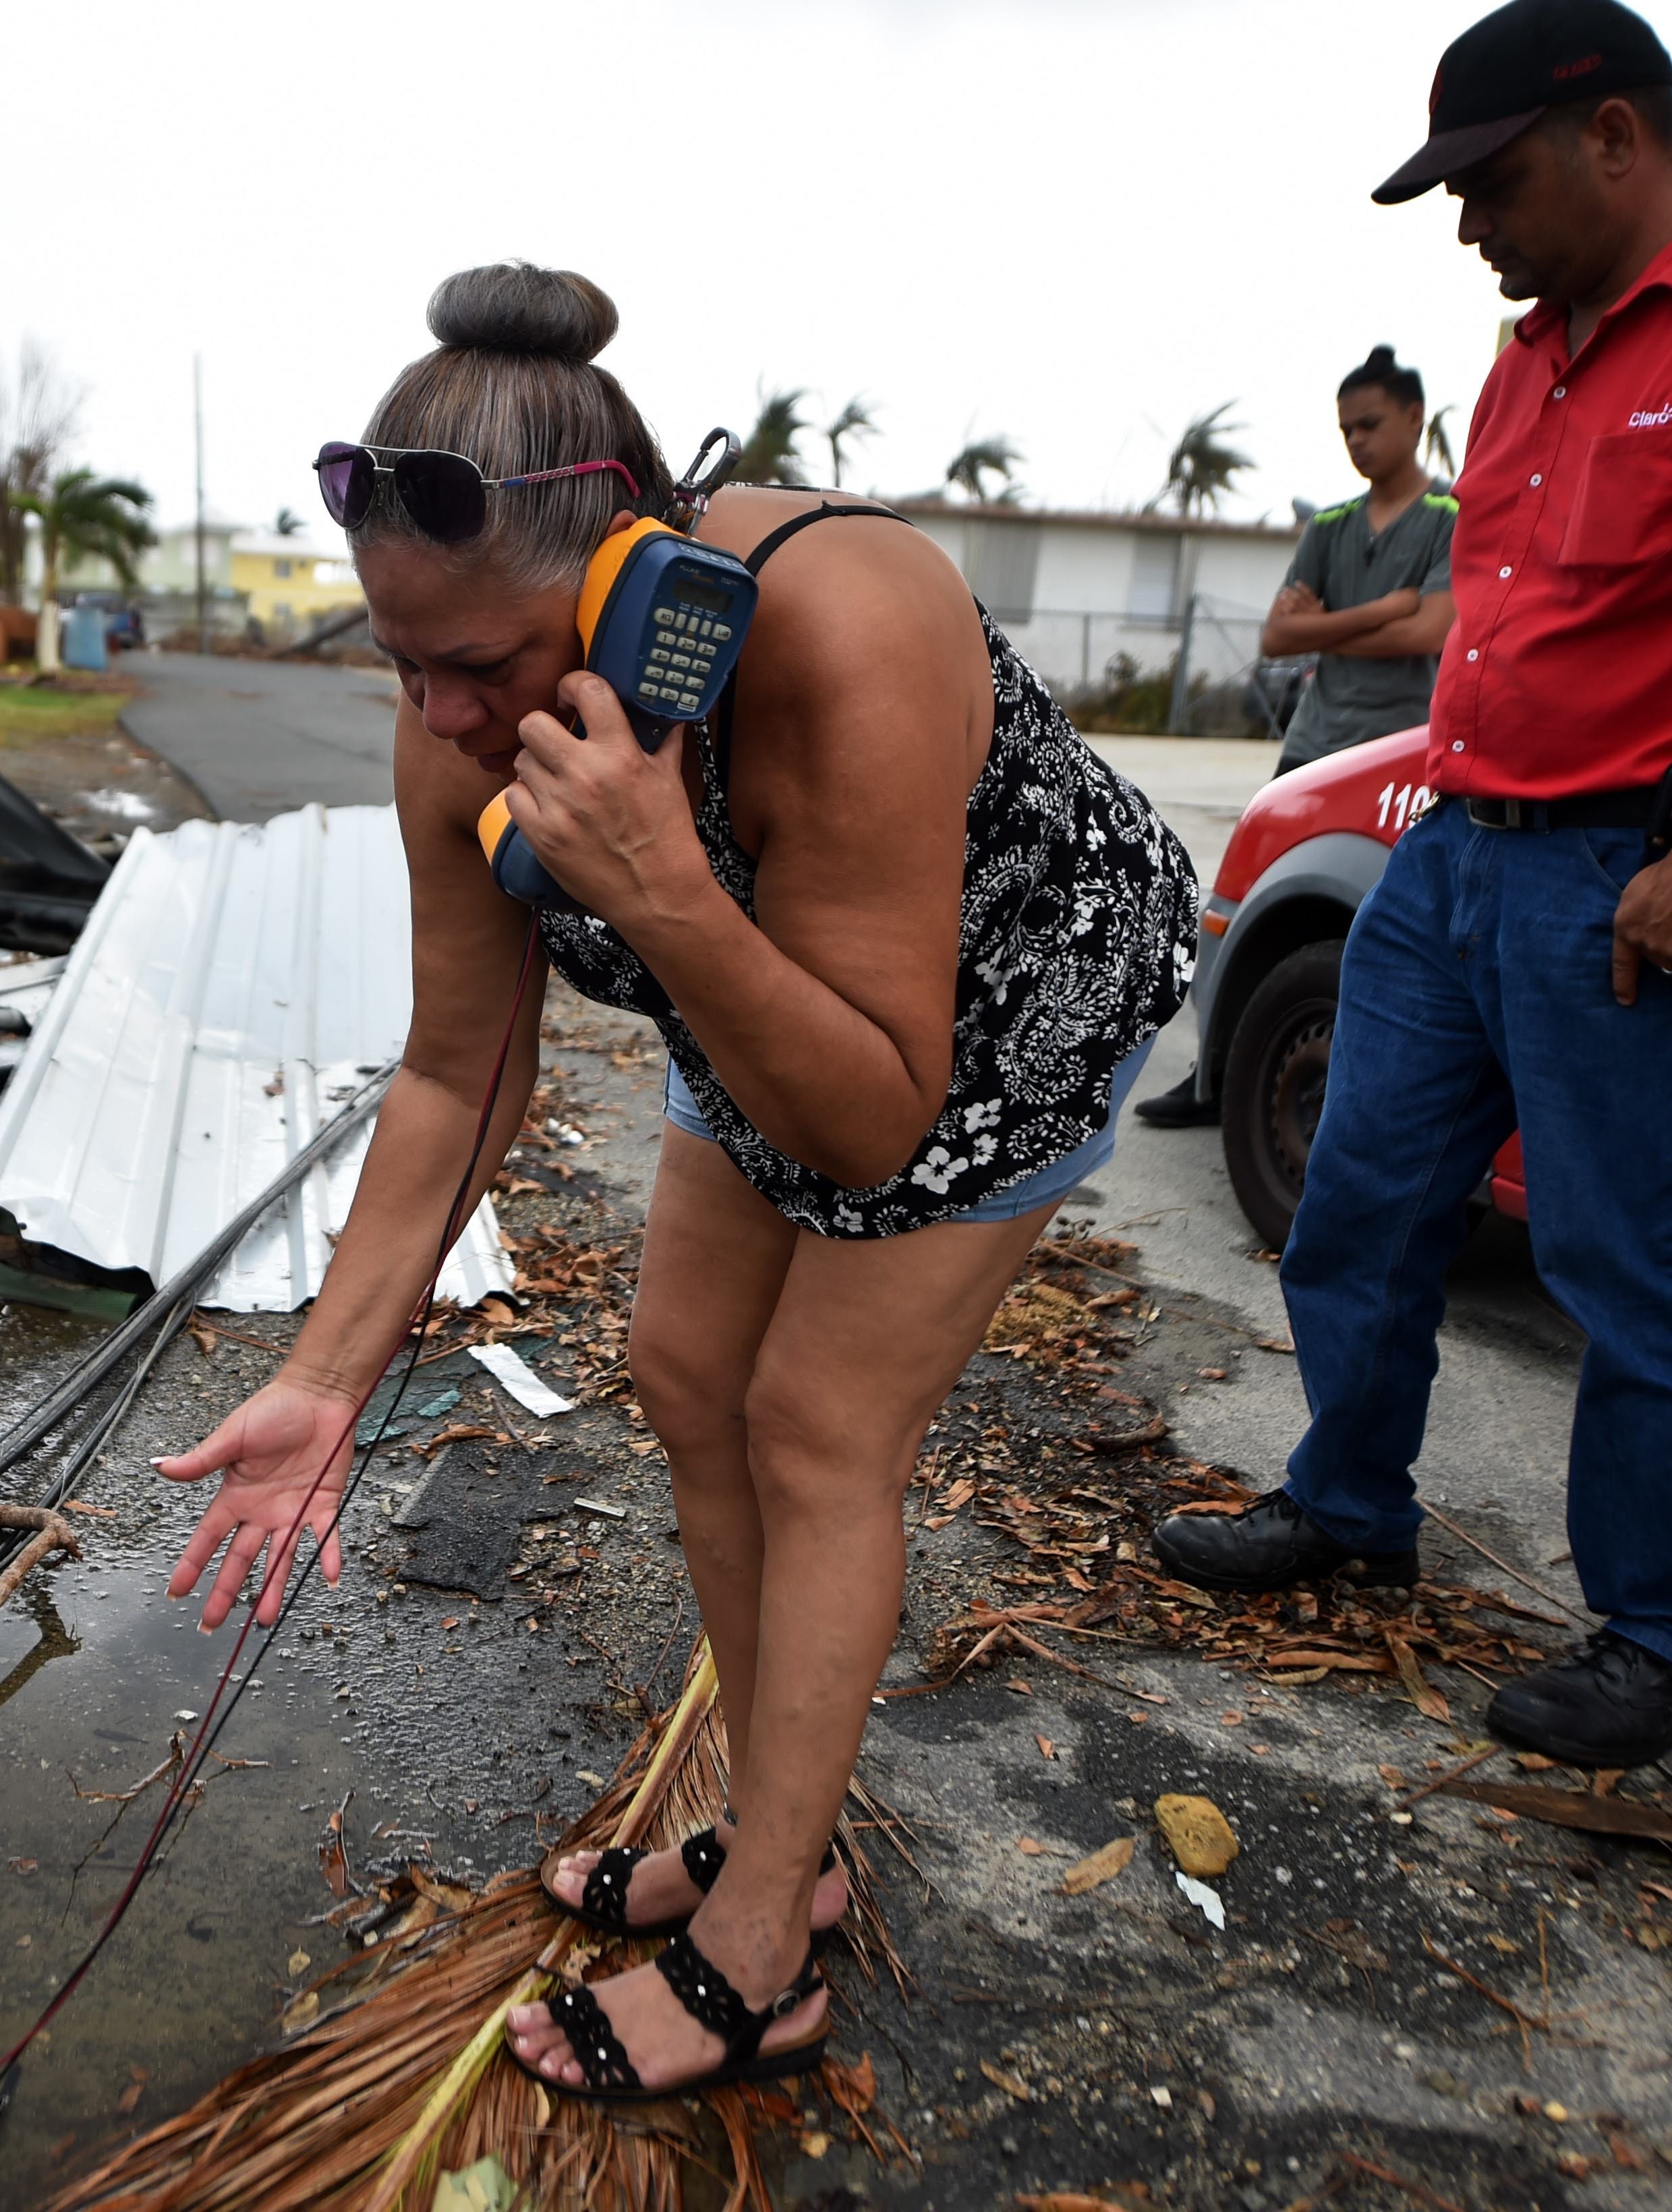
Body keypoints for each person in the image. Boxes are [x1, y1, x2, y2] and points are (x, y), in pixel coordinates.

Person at [157, 265, 1198, 2101]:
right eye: (402, 665)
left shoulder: (848, 629)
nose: (440, 718)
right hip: (756, 978)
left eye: (477, 667)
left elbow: (871, 1121)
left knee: (812, 1428)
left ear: (643, 583)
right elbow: (446, 1072)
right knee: (679, 1368)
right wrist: (323, 1381)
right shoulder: (455, 704)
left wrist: (658, 894)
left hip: (1005, 994)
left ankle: (759, 1952)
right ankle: (764, 1828)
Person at [1152, 0, 1672, 1772]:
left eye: (1490, 180)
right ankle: (1346, 1506)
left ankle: (1651, 1639)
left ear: (1609, 134)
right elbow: (1504, 610)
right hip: (1448, 847)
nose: (1465, 226)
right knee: (1354, 1199)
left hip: (1612, 870)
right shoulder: (1527, 355)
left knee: (1618, 1268)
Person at [1134, 345, 1458, 1129]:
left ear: (1413, 418)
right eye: (1345, 428)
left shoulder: (1452, 516)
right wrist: (1384, 611)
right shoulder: (1331, 524)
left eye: (1370, 424)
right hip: (1312, 744)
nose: (1356, 441)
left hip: (1393, 755)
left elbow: (1436, 631)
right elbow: (1279, 638)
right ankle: (1215, 1072)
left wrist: (1332, 624)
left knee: (1368, 925)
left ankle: (1359, 1089)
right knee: (1249, 909)